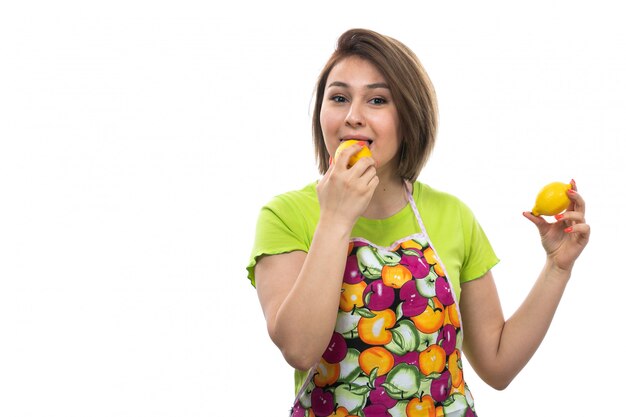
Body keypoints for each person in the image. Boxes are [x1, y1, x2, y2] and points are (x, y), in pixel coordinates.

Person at [246, 28, 590, 417]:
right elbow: (299, 348)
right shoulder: (286, 215)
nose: (353, 117)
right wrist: (337, 217)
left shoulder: (452, 215)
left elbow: (497, 364)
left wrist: (557, 268)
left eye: (377, 100)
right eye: (339, 98)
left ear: (408, 117)